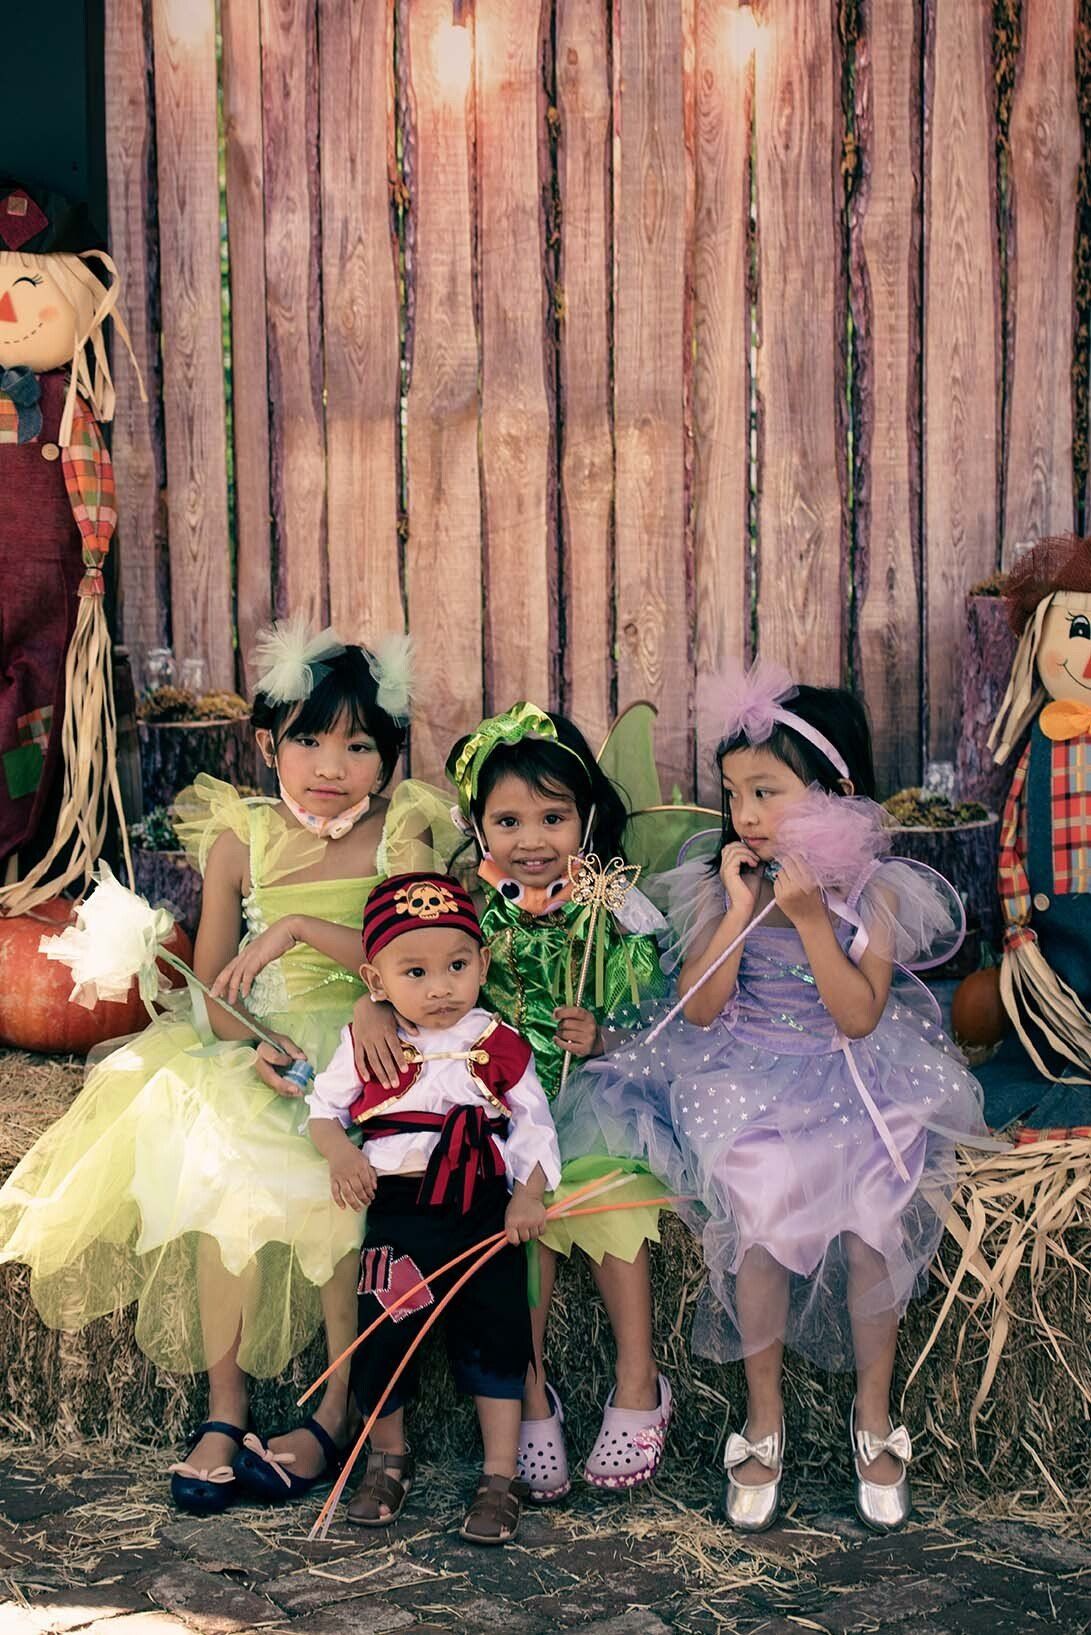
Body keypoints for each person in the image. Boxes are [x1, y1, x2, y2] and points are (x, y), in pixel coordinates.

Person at [0, 618, 435, 1514]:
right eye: (309, 740)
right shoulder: (242, 832)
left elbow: (425, 951)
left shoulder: (403, 832)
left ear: (387, 755)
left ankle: (337, 1404)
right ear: (270, 743)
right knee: (215, 1161)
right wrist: (254, 1045)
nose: (330, 764)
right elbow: (212, 990)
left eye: (357, 745)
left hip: (378, 1041)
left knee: (339, 1184)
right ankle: (225, 1407)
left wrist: (339, 966)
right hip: (265, 1044)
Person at [556, 660, 989, 1532]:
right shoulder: (724, 884)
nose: (745, 814)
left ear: (834, 792)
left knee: (875, 1212)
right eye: (734, 792)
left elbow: (860, 1015)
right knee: (757, 1209)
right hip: (745, 1074)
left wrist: (804, 923)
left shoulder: (876, 892)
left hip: (851, 1070)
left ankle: (874, 1412)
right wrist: (737, 916)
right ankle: (763, 1416)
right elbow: (703, 1009)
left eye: (767, 791)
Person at [304, 871, 560, 1545]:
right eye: (415, 971)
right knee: (384, 1330)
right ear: (376, 980)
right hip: (400, 1206)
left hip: (483, 1209)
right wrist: (342, 1155)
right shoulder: (371, 1042)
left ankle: (499, 1475)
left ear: (481, 963)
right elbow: (322, 1110)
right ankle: (388, 1456)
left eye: (456, 965)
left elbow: (534, 1127)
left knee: (497, 1332)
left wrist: (528, 1194)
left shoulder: (499, 1043)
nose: (440, 986)